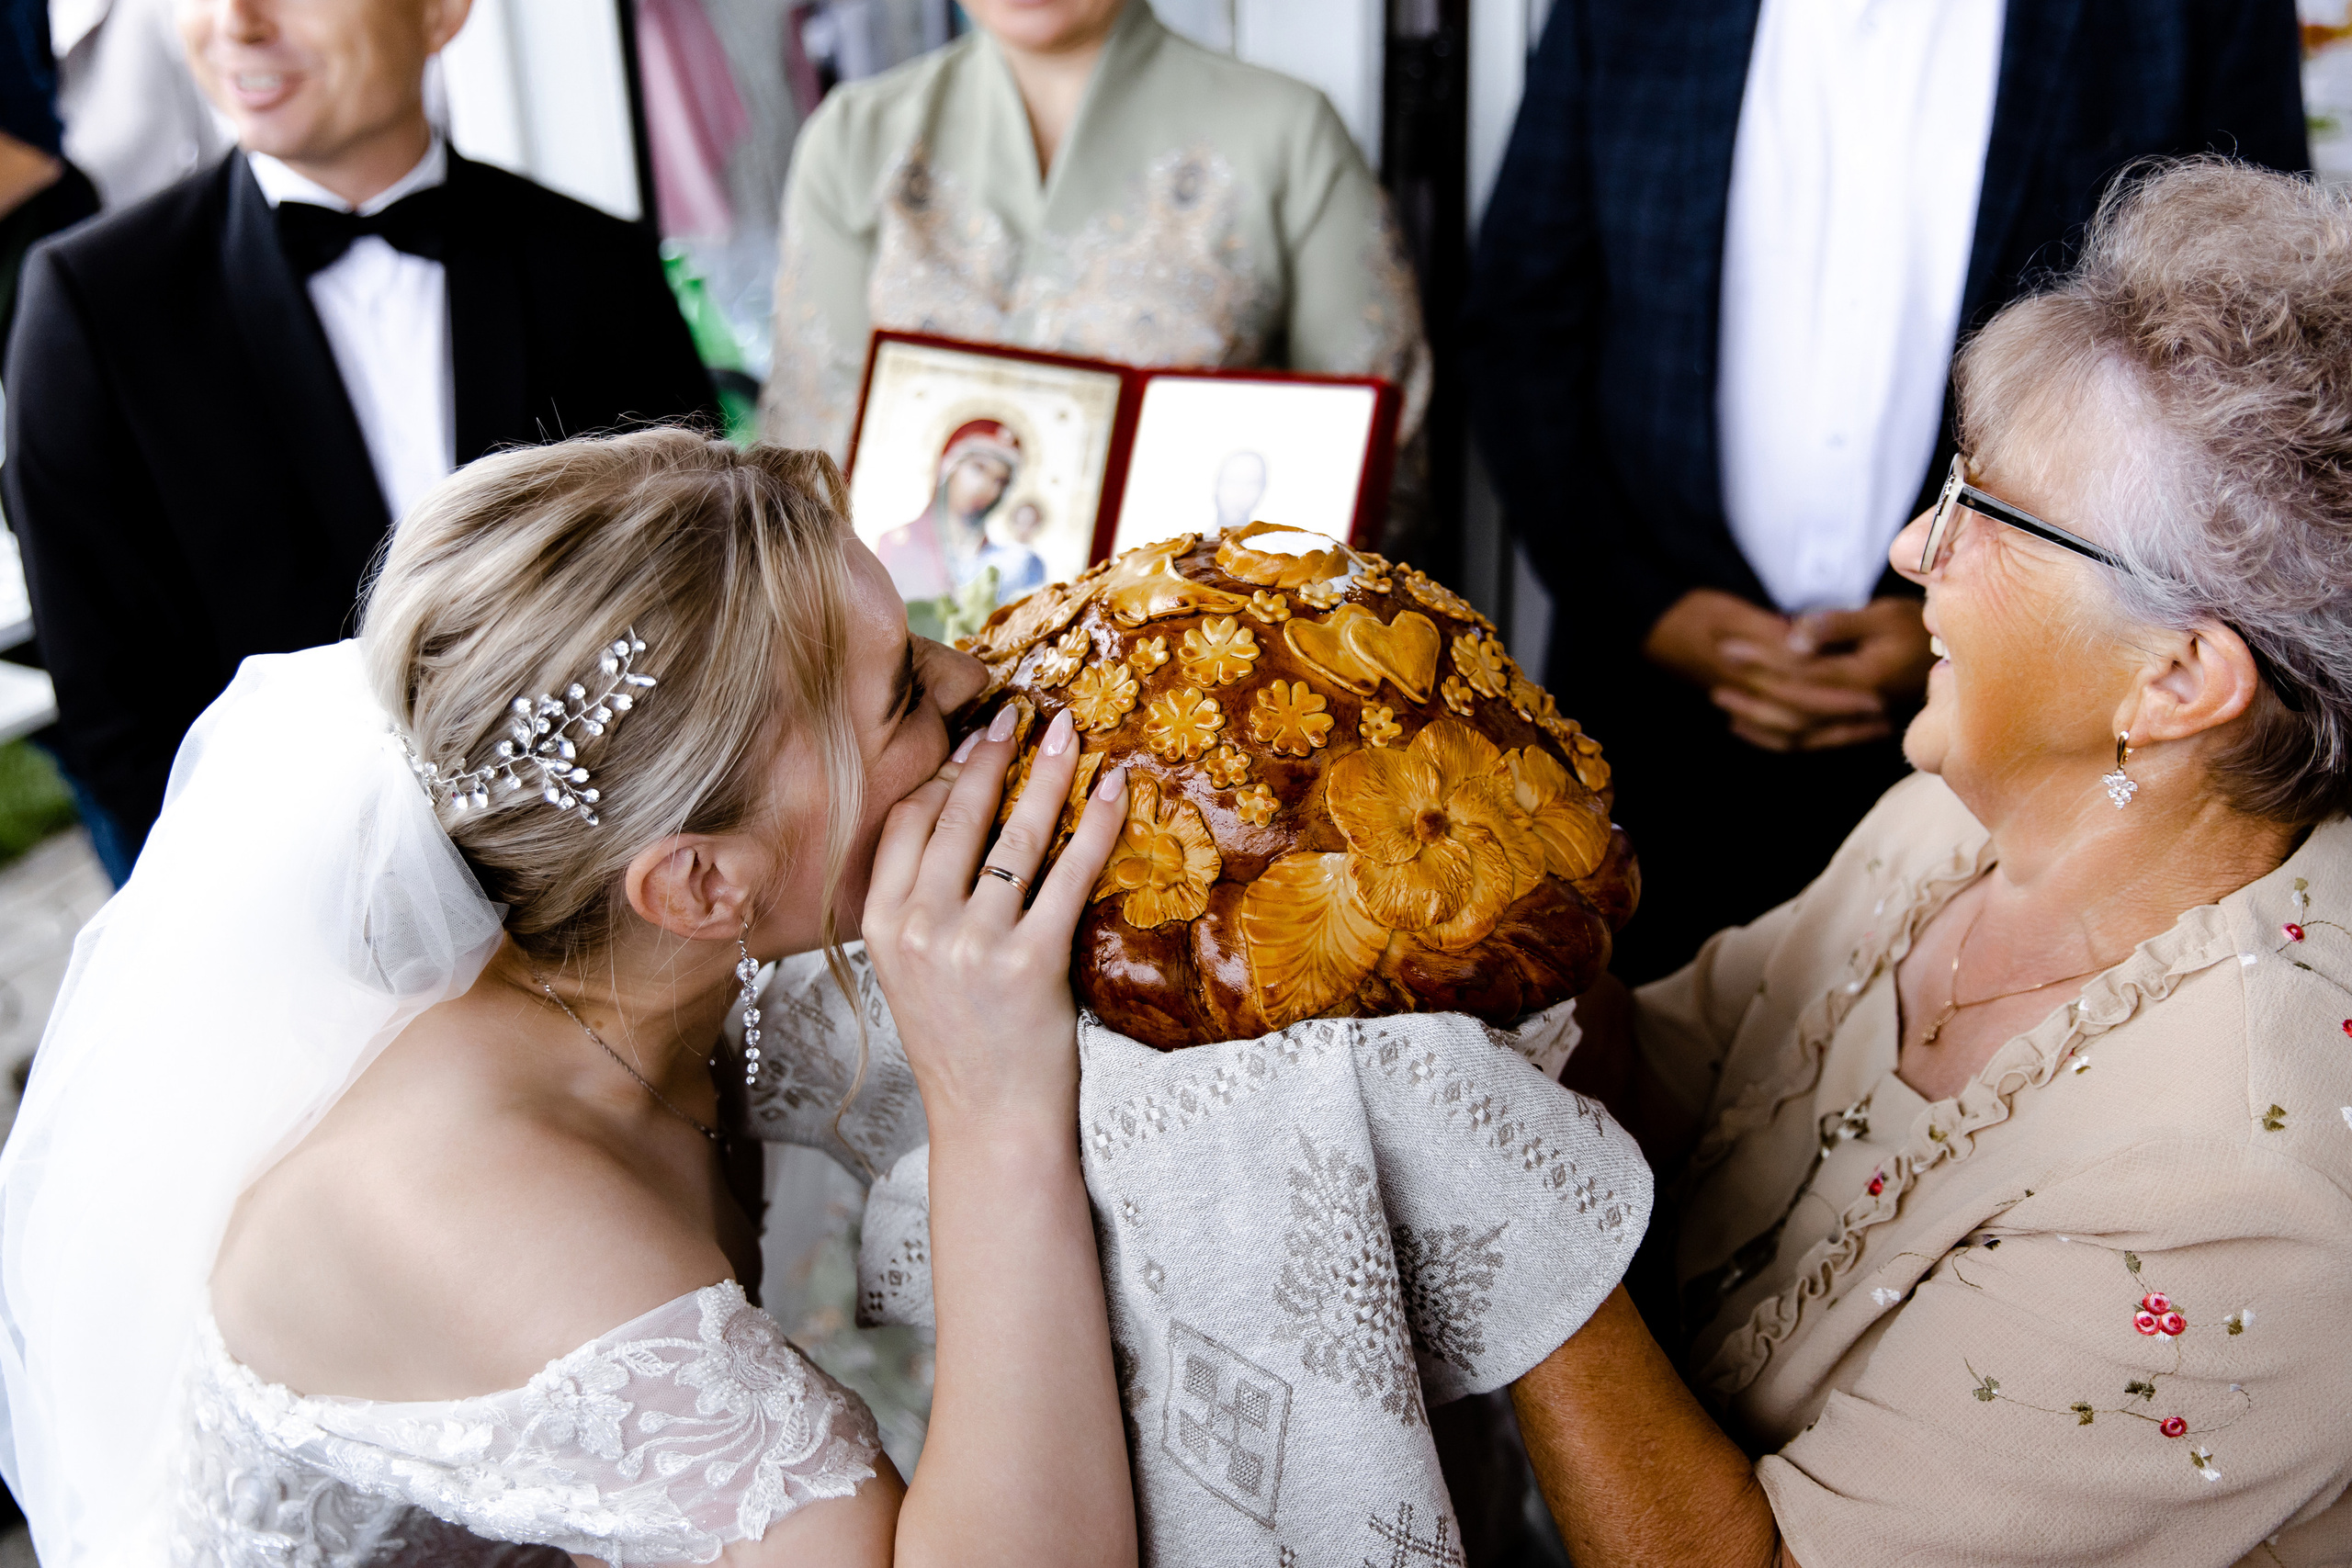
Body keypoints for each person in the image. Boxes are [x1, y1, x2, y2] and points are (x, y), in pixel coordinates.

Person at [0, 432, 1140, 1567]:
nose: (970, 679)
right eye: (899, 695)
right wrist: (992, 1110)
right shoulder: (480, 1205)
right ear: (699, 883)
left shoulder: (621, 980)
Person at [1499, 161, 2352, 1566]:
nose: (1911, 548)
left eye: (1986, 516)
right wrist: (1515, 904)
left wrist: (1509, 1229)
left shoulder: (2243, 1194)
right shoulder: (1962, 818)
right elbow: (1663, 1087)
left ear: (2180, 676)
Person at [1464, 0, 2307, 983]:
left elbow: (2247, 389)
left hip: (2018, 749)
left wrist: (1974, 625)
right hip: (1648, 719)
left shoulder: (2185, 19)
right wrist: (1645, 608)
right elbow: (1520, 323)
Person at [3, 0, 718, 878]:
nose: (237, 21)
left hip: (603, 877)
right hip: (274, 896)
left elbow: (696, 594)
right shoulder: (93, 305)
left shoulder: (596, 265)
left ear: (441, 13)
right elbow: (117, 711)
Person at [759, 0, 1430, 545]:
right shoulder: (852, 138)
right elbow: (804, 459)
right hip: (917, 663)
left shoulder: (1290, 131)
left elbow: (1377, 454)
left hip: (1195, 661)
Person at [876, 416, 1021, 612]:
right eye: (979, 468)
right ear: (950, 466)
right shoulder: (898, 544)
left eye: (1000, 480)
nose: (986, 486)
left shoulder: (999, 562)